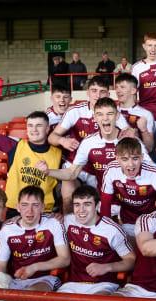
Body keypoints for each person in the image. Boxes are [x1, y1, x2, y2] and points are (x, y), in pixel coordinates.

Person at [32, 185, 135, 301]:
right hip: (72, 285)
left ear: (97, 205)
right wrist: (11, 221)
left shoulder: (111, 230)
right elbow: (36, 219)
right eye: (77, 205)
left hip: (103, 285)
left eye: (87, 204)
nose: (81, 210)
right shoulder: (67, 221)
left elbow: (130, 260)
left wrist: (107, 267)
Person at [0, 186, 70, 301]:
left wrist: (35, 267)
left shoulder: (53, 223)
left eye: (35, 205)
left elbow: (65, 259)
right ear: (18, 207)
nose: (29, 211)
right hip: (17, 281)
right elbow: (1, 264)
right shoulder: (8, 229)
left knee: (29, 297)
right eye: (25, 205)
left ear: (43, 207)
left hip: (45, 279)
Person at [0, 93, 62, 218]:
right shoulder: (15, 146)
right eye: (30, 126)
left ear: (47, 128)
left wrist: (62, 211)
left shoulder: (59, 153)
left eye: (39, 126)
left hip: (45, 212)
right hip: (16, 210)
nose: (34, 130)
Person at [37, 97, 145, 194]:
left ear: (117, 116)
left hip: (129, 198)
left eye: (110, 114)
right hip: (104, 198)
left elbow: (151, 170)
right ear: (95, 117)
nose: (105, 118)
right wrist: (48, 172)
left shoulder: (130, 141)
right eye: (100, 114)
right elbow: (72, 173)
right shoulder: (88, 142)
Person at [48, 76, 110, 211]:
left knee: (100, 206)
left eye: (102, 91)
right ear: (87, 92)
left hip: (101, 168)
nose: (97, 95)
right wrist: (62, 140)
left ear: (108, 94)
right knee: (68, 196)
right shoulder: (75, 111)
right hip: (75, 165)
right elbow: (52, 137)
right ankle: (68, 228)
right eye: (94, 90)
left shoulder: (114, 113)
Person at [100, 137, 156, 236]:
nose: (131, 164)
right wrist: (106, 231)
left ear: (142, 157)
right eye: (125, 159)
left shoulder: (155, 173)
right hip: (127, 220)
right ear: (117, 159)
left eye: (135, 158)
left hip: (153, 220)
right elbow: (105, 204)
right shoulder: (111, 170)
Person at [114, 73, 155, 152]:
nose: (118, 91)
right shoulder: (112, 111)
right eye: (116, 87)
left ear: (133, 90)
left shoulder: (145, 114)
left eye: (122, 87)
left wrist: (144, 131)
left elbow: (149, 148)